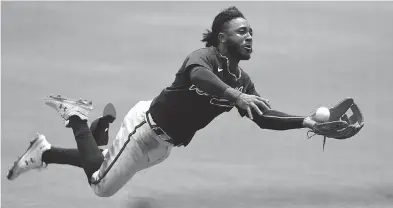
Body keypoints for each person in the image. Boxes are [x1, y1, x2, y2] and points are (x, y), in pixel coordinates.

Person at [7, 6, 320, 197]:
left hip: (162, 148)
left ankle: (51, 151)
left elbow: (263, 117)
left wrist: (306, 121)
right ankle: (75, 117)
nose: (249, 36)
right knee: (100, 185)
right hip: (145, 129)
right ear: (222, 37)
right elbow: (198, 76)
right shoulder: (203, 58)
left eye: (251, 31)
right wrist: (235, 96)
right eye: (241, 32)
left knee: (103, 162)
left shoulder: (242, 80)